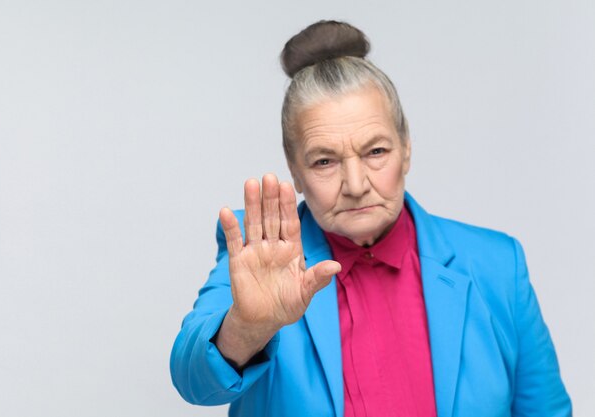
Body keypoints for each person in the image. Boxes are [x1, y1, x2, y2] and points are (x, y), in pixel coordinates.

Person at [170, 20, 571, 417]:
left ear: (406, 148)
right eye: (324, 161)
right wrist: (247, 327)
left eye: (376, 151)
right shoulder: (263, 253)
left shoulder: (497, 264)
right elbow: (192, 381)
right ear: (295, 170)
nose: (356, 184)